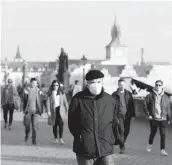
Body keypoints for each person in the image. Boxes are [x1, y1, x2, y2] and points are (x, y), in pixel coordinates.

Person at [68, 70, 118, 165]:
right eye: (93, 82)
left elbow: (114, 121)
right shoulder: (78, 99)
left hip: (105, 147)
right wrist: (81, 136)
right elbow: (72, 123)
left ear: (102, 82)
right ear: (87, 84)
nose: (96, 85)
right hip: (85, 148)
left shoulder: (110, 100)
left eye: (99, 82)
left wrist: (111, 139)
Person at [144, 80, 171, 156]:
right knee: (153, 132)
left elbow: (168, 108)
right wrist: (148, 114)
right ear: (155, 85)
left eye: (160, 85)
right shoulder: (150, 96)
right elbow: (145, 106)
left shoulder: (166, 97)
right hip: (154, 118)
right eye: (157, 85)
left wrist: (169, 118)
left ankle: (162, 150)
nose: (158, 86)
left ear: (162, 86)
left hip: (163, 118)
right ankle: (150, 143)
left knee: (163, 134)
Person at [112, 78, 135, 154]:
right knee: (121, 131)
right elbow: (111, 106)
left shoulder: (128, 94)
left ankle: (120, 141)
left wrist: (133, 114)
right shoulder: (114, 94)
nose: (122, 86)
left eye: (123, 85)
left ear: (125, 85)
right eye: (120, 85)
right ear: (118, 85)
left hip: (127, 115)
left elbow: (132, 104)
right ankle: (122, 147)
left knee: (127, 131)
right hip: (119, 115)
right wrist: (113, 116)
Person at [46, 80, 68, 144]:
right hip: (53, 110)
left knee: (61, 124)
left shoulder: (62, 93)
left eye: (57, 85)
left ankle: (61, 138)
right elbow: (47, 102)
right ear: (52, 86)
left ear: (59, 86)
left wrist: (67, 110)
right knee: (54, 124)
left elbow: (65, 102)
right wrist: (48, 111)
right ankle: (55, 138)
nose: (55, 86)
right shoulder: (50, 93)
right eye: (54, 85)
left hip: (60, 110)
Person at [23, 78, 43, 145]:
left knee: (34, 126)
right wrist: (24, 93)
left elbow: (42, 100)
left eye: (35, 83)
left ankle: (34, 140)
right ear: (30, 83)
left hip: (36, 111)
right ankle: (27, 134)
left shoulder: (39, 91)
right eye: (33, 83)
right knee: (27, 125)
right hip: (28, 110)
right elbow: (24, 100)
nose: (34, 84)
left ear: (37, 84)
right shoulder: (27, 90)